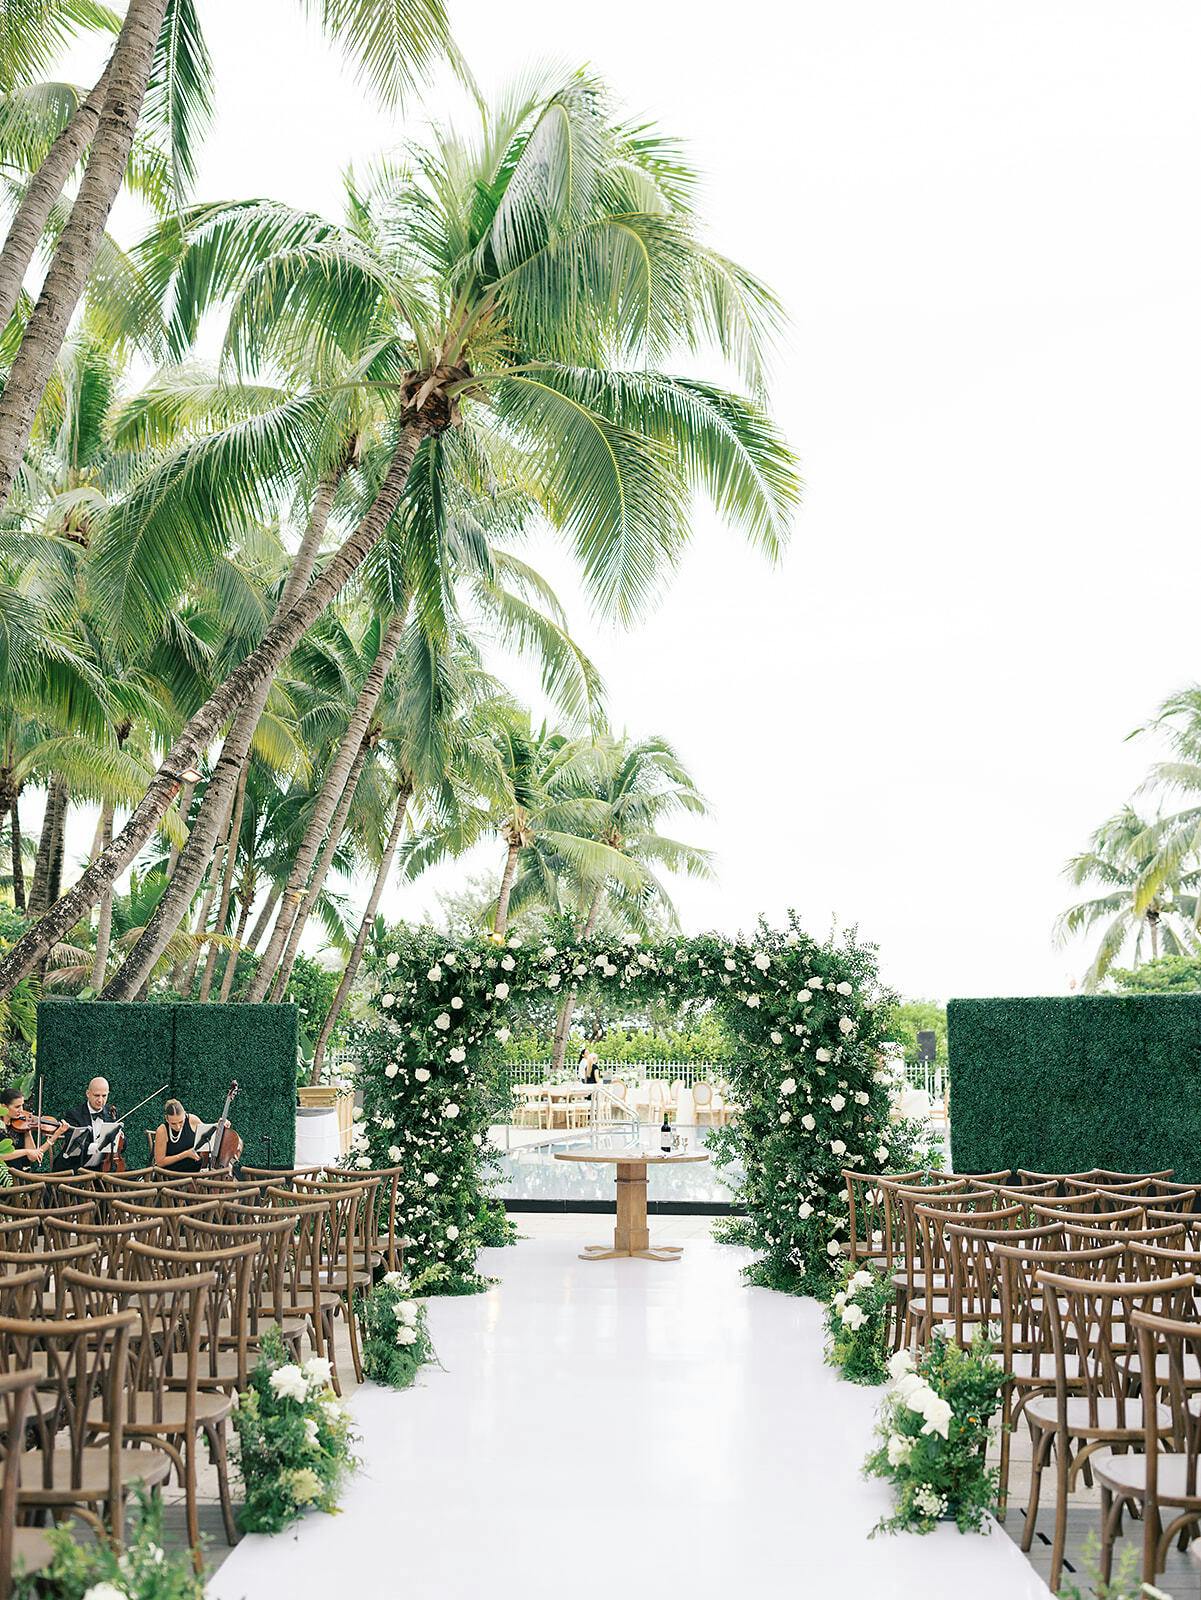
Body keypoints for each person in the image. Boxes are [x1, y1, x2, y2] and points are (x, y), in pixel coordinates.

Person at [56, 1076, 119, 1171]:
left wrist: (120, 1139)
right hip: (74, 1169)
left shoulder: (111, 1113)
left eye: (104, 1096)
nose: (100, 1100)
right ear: (88, 1094)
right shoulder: (73, 1115)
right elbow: (73, 1143)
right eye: (97, 1095)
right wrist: (98, 1147)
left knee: (132, 1178)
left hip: (100, 1170)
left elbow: (123, 1147)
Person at [0, 1086, 64, 1173]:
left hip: (22, 1175)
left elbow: (33, 1156)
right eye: (17, 1107)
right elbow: (1, 1155)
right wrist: (26, 1151)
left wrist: (56, 1135)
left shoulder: (21, 1126)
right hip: (5, 1177)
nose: (21, 1110)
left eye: (22, 1105)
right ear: (4, 1107)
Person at [153, 1099, 205, 1174]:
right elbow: (160, 1162)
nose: (178, 1127)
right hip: (174, 1175)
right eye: (173, 1123)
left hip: (197, 1171)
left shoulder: (193, 1120)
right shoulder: (162, 1130)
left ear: (184, 1114)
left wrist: (221, 1124)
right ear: (166, 1119)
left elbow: (208, 1134)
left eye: (181, 1122)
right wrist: (186, 1154)